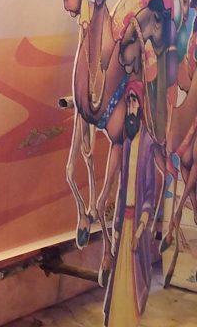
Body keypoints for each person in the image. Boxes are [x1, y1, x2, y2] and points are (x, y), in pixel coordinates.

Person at [103, 80, 156, 326]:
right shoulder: (125, 143)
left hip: (137, 225)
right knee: (119, 278)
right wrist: (116, 223)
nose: (131, 107)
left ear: (141, 105)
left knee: (134, 278)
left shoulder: (148, 145)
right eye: (129, 102)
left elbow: (150, 193)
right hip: (123, 223)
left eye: (135, 102)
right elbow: (123, 187)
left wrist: (140, 229)